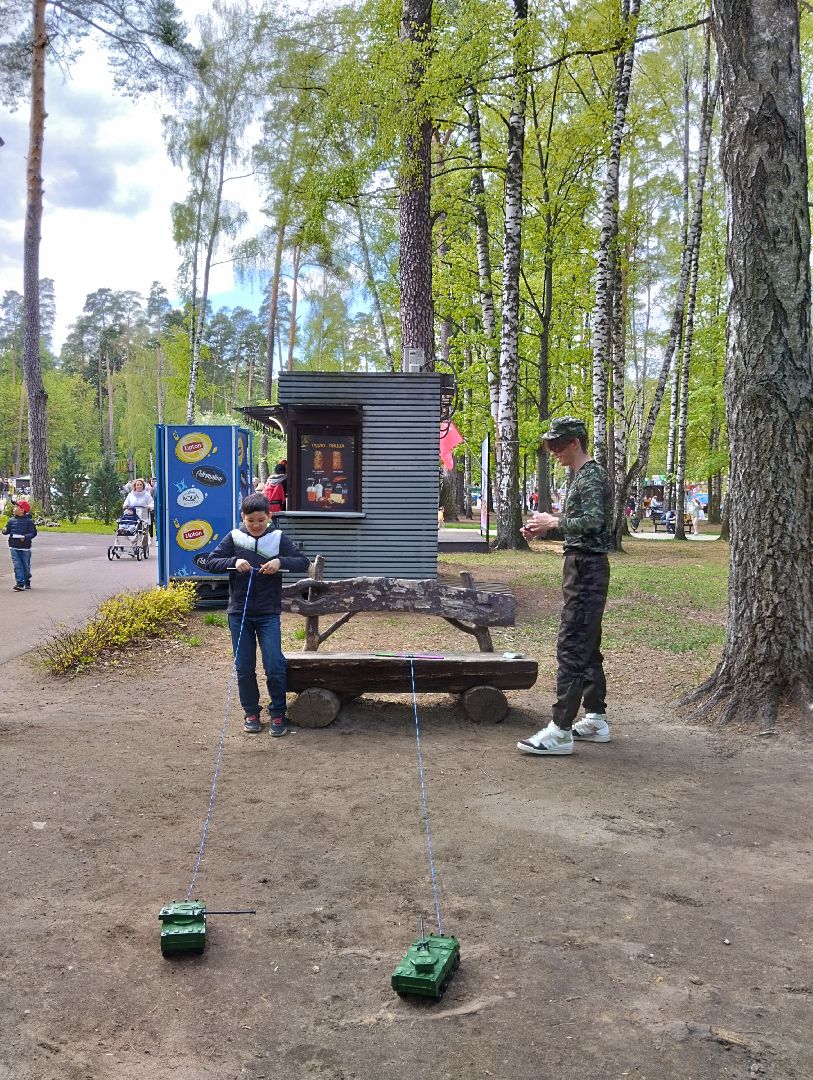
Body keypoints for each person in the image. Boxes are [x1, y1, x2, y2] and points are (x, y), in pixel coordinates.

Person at [517, 417, 613, 756]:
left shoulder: (591, 475)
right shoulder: (582, 476)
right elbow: (584, 525)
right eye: (549, 446)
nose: (553, 451)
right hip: (583, 566)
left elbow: (594, 522)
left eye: (557, 445)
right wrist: (547, 528)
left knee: (572, 645)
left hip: (586, 567)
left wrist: (555, 521)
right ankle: (596, 718)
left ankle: (559, 731)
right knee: (586, 646)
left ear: (576, 443)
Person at [205, 492, 309, 736]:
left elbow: (302, 561)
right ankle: (251, 711)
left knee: (274, 664)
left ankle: (278, 712)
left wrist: (279, 562)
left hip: (268, 613)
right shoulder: (234, 537)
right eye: (251, 520)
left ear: (269, 517)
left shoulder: (278, 538)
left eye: (261, 520)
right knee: (244, 666)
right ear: (243, 517)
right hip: (239, 613)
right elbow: (211, 562)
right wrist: (234, 561)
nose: (256, 525)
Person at [3, 498, 38, 591]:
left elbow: (33, 533)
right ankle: (20, 583)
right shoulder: (11, 520)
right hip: (14, 546)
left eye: (16, 506)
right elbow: (7, 530)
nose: (14, 508)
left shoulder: (29, 521)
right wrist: (5, 531)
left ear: (22, 510)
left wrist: (25, 537)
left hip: (25, 547)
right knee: (17, 565)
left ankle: (27, 580)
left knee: (25, 566)